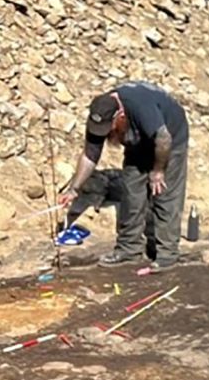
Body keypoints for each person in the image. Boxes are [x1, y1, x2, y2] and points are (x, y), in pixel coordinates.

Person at [60, 84, 189, 269]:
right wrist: (74, 189)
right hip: (138, 141)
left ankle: (167, 254)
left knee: (164, 194)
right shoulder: (100, 113)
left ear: (120, 116)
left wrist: (158, 171)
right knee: (131, 191)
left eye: (109, 128)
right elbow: (90, 155)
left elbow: (164, 139)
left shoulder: (140, 107)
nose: (106, 133)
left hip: (170, 139)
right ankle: (129, 249)